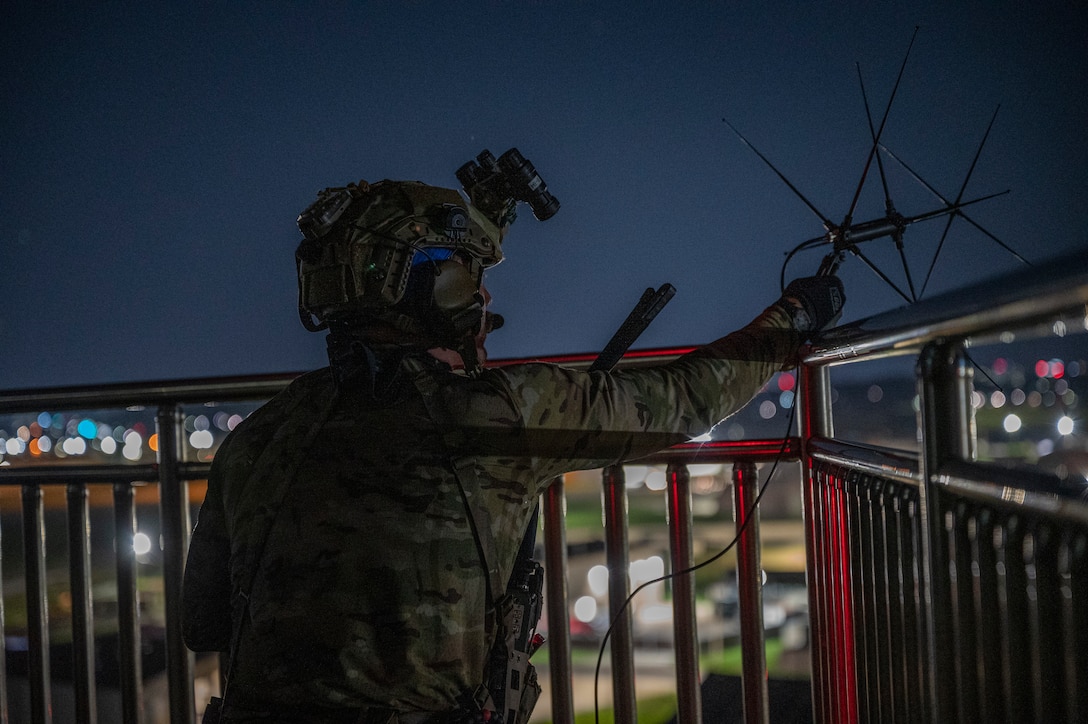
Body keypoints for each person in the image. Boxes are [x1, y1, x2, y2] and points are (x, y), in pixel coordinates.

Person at [182, 156, 844, 724]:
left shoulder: (262, 435)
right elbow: (688, 397)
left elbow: (202, 624)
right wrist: (796, 317)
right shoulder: (500, 411)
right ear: (439, 286)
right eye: (472, 272)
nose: (484, 292)